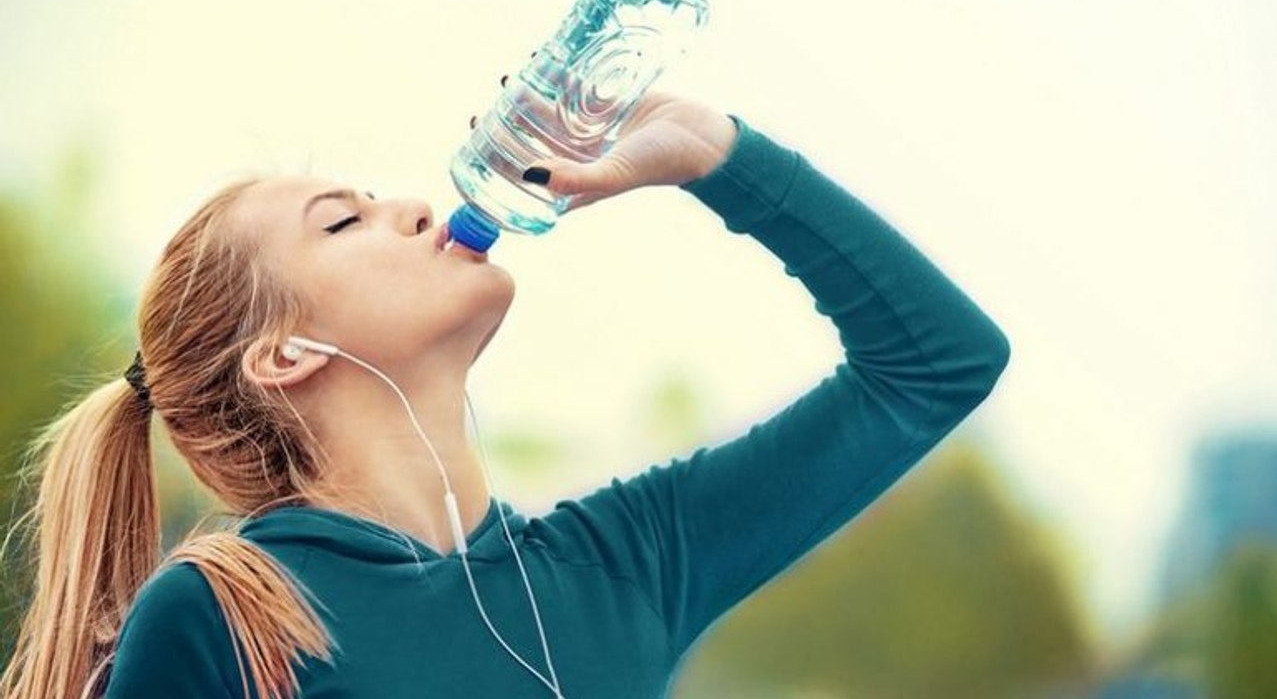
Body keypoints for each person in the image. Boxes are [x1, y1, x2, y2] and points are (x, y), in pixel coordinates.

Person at [0, 90, 1010, 699]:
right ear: (284, 355)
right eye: (343, 223)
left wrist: (713, 154)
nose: (412, 206)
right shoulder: (228, 616)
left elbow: (935, 363)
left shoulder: (626, 561)